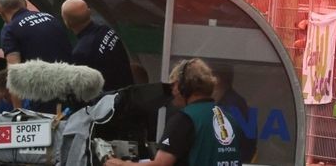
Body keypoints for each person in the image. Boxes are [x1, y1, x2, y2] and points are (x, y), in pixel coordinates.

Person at [103, 58, 241, 166]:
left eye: (173, 84)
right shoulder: (228, 118)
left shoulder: (185, 119)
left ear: (185, 85)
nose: (171, 90)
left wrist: (120, 164)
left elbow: (161, 164)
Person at [61, 0, 134, 93]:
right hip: (128, 89)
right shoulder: (106, 29)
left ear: (67, 23)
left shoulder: (81, 53)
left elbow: (83, 91)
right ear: (89, 12)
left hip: (112, 101)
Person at [0, 0, 72, 65]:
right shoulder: (50, 17)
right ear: (25, 3)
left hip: (40, 76)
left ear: (0, 10)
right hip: (69, 74)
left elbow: (14, 68)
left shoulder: (9, 30)